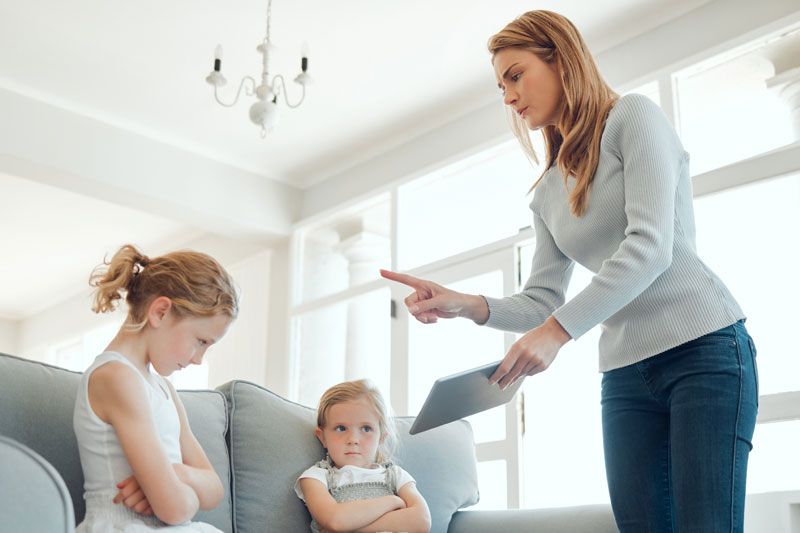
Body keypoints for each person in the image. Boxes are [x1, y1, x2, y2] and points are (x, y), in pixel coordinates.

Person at [381, 9, 758, 533]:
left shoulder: (634, 117)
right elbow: (541, 299)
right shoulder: (546, 192)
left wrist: (556, 333)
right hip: (626, 374)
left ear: (561, 59)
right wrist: (465, 305)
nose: (509, 97)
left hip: (704, 351)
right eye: (500, 86)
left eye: (515, 75)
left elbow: (651, 246)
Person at [73, 244, 239, 532]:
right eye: (201, 341)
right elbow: (174, 510)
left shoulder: (163, 389)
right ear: (160, 312)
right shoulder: (116, 378)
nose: (199, 360)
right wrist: (178, 492)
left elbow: (214, 490)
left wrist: (175, 475)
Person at [295, 379, 431, 533]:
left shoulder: (395, 475)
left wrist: (351, 526)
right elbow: (335, 521)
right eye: (341, 428)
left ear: (381, 437)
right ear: (323, 437)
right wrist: (392, 501)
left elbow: (422, 521)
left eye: (366, 429)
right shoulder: (316, 477)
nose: (353, 439)